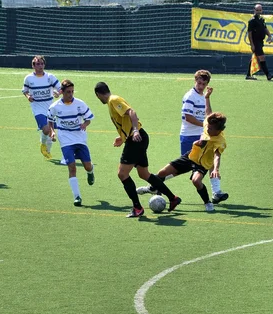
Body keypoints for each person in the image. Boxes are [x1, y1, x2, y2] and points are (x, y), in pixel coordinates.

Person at [137, 70, 228, 204]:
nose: (200, 86)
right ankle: (154, 186)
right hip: (189, 136)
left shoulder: (203, 96)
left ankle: (216, 192)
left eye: (204, 83)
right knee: (184, 168)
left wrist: (207, 123)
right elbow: (187, 117)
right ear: (195, 81)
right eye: (199, 82)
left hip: (202, 134)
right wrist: (205, 125)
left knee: (207, 162)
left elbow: (208, 115)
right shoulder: (190, 96)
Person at [94, 82, 181, 218]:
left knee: (122, 174)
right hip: (138, 138)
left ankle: (137, 208)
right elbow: (126, 120)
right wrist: (122, 137)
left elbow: (132, 112)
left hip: (136, 139)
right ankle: (173, 198)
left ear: (98, 94)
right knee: (144, 174)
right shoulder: (113, 101)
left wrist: (134, 131)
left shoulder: (113, 100)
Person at [141, 112, 227, 213]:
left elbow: (217, 156)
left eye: (211, 129)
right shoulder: (208, 125)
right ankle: (154, 189)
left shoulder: (220, 141)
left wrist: (216, 169)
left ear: (219, 130)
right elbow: (208, 112)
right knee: (161, 173)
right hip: (190, 157)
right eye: (208, 126)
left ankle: (207, 202)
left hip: (203, 164)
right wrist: (207, 97)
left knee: (196, 181)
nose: (207, 129)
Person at [47, 79, 95, 206]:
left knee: (87, 166)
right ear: (62, 92)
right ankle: (77, 196)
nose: (71, 94)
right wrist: (52, 132)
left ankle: (90, 172)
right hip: (65, 139)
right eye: (68, 92)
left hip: (80, 138)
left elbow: (89, 118)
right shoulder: (54, 107)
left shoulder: (80, 104)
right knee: (72, 167)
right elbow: (50, 121)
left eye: (72, 91)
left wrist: (85, 123)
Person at [22, 55, 65, 162]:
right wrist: (28, 97)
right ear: (33, 66)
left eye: (42, 63)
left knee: (51, 131)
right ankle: (43, 143)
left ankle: (47, 149)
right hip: (37, 108)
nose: (40, 66)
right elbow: (25, 90)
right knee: (47, 129)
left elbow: (61, 88)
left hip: (50, 108)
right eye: (37, 64)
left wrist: (58, 93)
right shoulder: (28, 78)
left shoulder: (50, 77)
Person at [245, 4, 273, 81]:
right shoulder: (252, 21)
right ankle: (268, 75)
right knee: (262, 57)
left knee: (255, 57)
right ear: (254, 10)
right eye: (257, 10)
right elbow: (249, 33)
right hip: (255, 42)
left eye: (260, 10)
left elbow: (265, 28)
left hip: (260, 41)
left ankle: (248, 75)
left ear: (262, 10)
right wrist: (252, 44)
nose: (258, 12)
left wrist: (269, 36)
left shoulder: (261, 19)